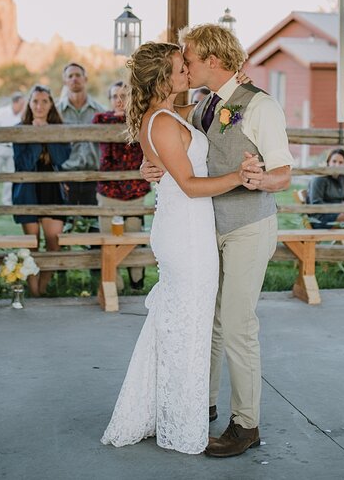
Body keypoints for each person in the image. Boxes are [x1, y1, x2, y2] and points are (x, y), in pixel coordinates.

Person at [141, 24, 293, 457]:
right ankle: (200, 404)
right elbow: (167, 136)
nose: (184, 65)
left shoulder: (261, 106)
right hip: (208, 229)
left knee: (239, 325)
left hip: (248, 227)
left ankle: (246, 424)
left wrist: (261, 178)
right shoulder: (204, 104)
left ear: (212, 60)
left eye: (188, 58)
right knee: (212, 321)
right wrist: (148, 166)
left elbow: (284, 172)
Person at [101, 41, 258, 455]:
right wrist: (239, 177)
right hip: (187, 234)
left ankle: (166, 409)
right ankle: (183, 425)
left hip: (188, 229)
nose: (187, 71)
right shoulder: (164, 122)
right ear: (162, 78)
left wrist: (231, 85)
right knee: (189, 329)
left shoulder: (170, 115)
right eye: (179, 67)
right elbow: (189, 185)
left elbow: (208, 112)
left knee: (180, 325)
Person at [12, 85, 71, 296]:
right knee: (32, 245)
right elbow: (25, 163)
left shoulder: (58, 128)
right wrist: (36, 134)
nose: (39, 105)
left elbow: (60, 157)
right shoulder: (20, 129)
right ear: (29, 103)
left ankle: (43, 289)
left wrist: (46, 131)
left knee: (54, 245)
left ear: (51, 104)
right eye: (35, 101)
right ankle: (33, 292)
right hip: (28, 191)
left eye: (44, 101)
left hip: (52, 190)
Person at [93, 81, 151, 290]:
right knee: (108, 237)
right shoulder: (101, 119)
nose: (119, 100)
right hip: (108, 189)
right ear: (109, 100)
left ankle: (136, 280)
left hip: (134, 189)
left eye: (124, 96)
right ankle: (113, 283)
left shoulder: (140, 118)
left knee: (133, 236)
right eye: (115, 96)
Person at [57, 62, 106, 224]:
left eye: (78, 75)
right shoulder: (56, 113)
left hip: (93, 176)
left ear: (86, 79)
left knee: (93, 225)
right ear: (65, 81)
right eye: (70, 76)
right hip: (66, 176)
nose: (74, 79)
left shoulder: (100, 111)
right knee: (65, 227)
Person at [307, 148, 344, 229]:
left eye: (341, 162)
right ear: (328, 163)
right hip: (320, 218)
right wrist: (340, 207)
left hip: (340, 213)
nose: (337, 165)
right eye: (334, 161)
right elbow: (316, 204)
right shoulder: (319, 179)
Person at [0, 92, 27, 205]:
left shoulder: (22, 114)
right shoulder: (1, 113)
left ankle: (7, 201)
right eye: (21, 103)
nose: (23, 106)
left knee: (10, 176)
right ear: (15, 102)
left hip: (13, 149)